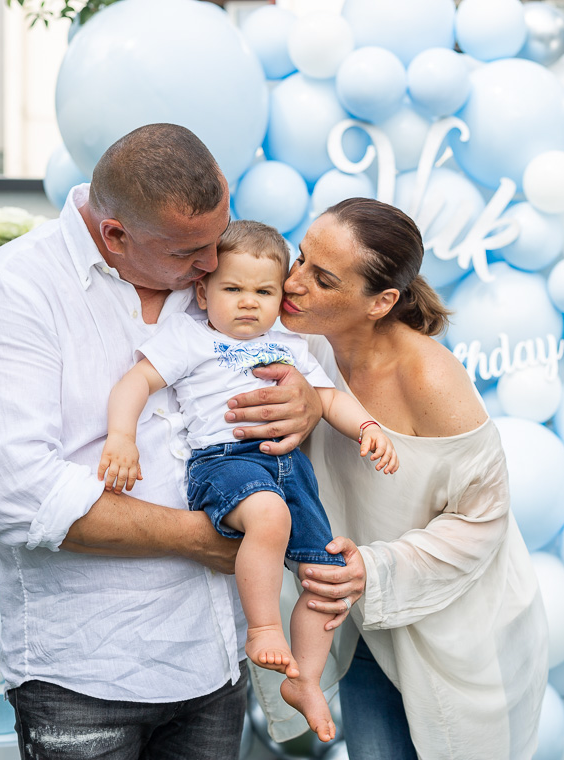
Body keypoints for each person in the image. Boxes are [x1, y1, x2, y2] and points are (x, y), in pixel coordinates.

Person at [0, 124, 322, 760]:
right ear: (115, 235)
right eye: (190, 254)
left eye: (218, 239)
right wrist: (210, 540)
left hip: (214, 657)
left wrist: (307, 404)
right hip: (89, 673)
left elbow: (288, 370)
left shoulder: (208, 276)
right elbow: (19, 494)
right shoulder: (16, 291)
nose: (213, 264)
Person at [242, 198, 549, 759]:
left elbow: (483, 519)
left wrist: (374, 568)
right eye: (303, 257)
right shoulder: (302, 345)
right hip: (365, 618)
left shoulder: (429, 378)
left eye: (324, 278)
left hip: (462, 632)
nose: (294, 281)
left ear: (381, 302)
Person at [97, 220, 397, 742]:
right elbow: (135, 383)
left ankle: (304, 679)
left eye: (264, 292)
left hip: (290, 469)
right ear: (202, 290)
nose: (247, 303)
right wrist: (120, 438)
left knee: (326, 577)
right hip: (224, 462)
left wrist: (367, 425)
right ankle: (262, 629)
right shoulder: (190, 338)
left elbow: (328, 400)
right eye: (232, 289)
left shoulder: (289, 344)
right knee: (268, 515)